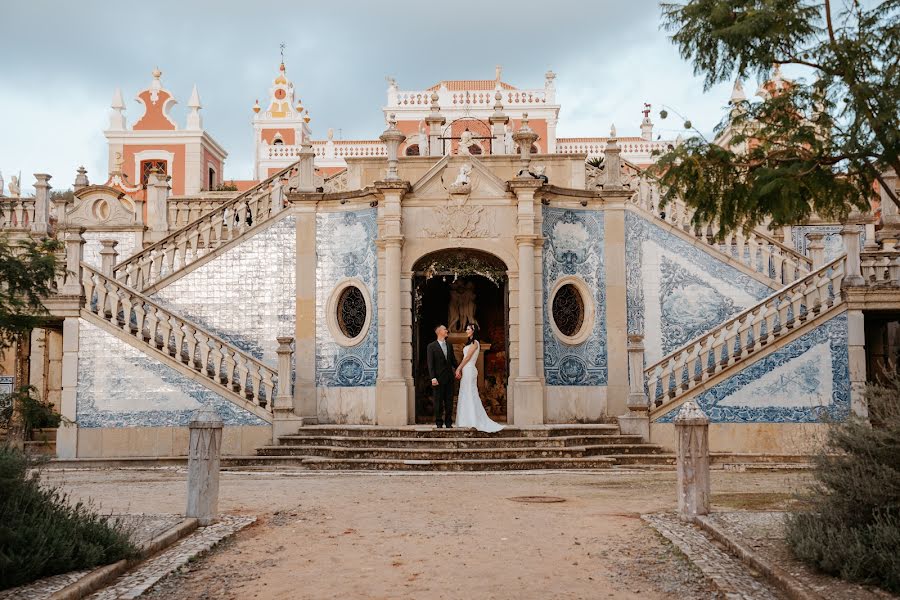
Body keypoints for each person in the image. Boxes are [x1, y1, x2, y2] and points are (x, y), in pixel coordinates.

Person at [455, 324, 504, 433]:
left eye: (468, 329)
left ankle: (473, 420)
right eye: (466, 329)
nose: (466, 331)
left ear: (473, 331)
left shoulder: (475, 343)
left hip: (469, 369)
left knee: (470, 393)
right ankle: (465, 420)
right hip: (466, 370)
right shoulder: (469, 343)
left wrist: (458, 368)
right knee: (465, 393)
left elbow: (467, 357)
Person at [427, 324, 459, 428]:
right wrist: (433, 377)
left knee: (449, 402)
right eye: (445, 329)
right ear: (439, 332)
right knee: (438, 402)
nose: (447, 331)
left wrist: (459, 369)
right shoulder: (431, 346)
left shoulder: (449, 345)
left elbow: (453, 360)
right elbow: (430, 364)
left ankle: (449, 422)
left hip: (449, 378)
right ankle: (439, 422)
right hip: (438, 379)